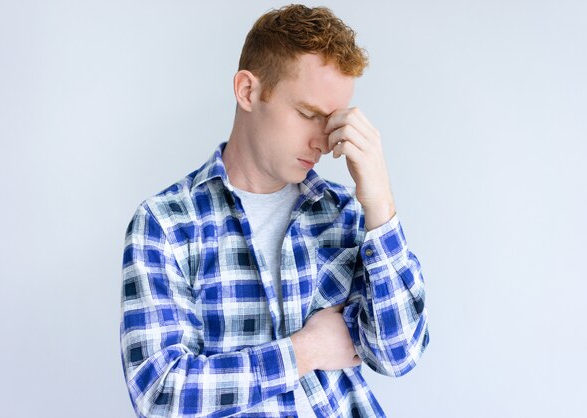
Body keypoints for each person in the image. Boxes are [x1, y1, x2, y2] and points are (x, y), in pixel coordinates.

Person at [120, 4, 429, 417]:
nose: (323, 142)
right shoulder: (166, 224)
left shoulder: (343, 214)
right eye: (307, 114)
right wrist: (307, 351)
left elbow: (399, 354)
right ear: (248, 91)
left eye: (332, 121)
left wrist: (380, 202)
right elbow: (161, 396)